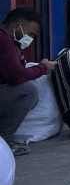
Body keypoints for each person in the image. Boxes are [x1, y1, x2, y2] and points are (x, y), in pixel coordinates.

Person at [0, 8, 56, 157]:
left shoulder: (9, 42)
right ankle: (4, 142)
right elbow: (17, 76)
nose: (30, 39)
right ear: (15, 27)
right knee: (28, 91)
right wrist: (43, 68)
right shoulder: (5, 42)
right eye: (30, 34)